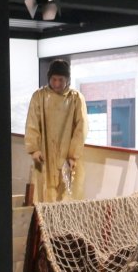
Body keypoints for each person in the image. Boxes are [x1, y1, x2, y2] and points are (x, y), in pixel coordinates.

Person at [24, 59, 89, 203]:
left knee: (67, 196)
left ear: (67, 79)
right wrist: (34, 149)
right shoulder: (39, 96)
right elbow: (32, 123)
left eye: (61, 80)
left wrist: (73, 155)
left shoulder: (76, 98)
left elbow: (81, 128)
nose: (57, 83)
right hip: (44, 154)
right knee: (43, 195)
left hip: (67, 156)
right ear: (49, 78)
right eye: (54, 79)